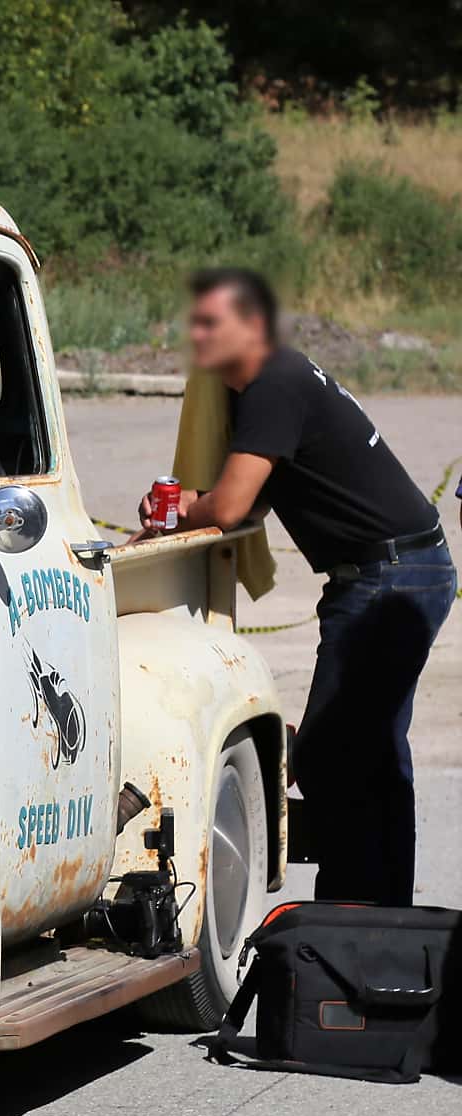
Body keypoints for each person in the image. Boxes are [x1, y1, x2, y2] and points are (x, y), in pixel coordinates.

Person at [139, 267, 453, 905]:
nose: (197, 335)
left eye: (211, 323)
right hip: (403, 569)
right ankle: (381, 918)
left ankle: (352, 915)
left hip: (389, 578)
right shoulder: (268, 384)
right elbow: (249, 504)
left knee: (332, 757)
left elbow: (229, 510)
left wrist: (181, 512)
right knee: (374, 755)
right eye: (193, 323)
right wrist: (196, 503)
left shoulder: (273, 384)